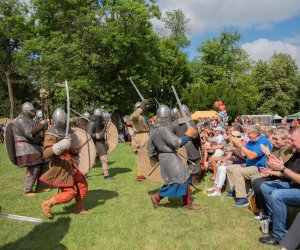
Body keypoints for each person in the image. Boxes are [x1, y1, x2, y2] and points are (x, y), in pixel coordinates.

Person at [40, 108, 90, 218]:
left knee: (82, 185)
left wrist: (71, 149)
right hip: (60, 167)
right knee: (70, 192)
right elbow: (46, 153)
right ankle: (47, 203)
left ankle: (79, 208)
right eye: (65, 120)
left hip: (70, 164)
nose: (67, 122)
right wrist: (61, 145)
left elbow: (67, 148)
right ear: (61, 120)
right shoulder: (50, 134)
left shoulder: (65, 131)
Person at [148, 104, 200, 210]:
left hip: (164, 157)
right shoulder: (163, 129)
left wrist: (159, 156)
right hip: (169, 158)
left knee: (184, 178)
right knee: (177, 181)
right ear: (167, 117)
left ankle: (187, 203)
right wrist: (187, 135)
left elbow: (150, 148)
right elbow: (177, 143)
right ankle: (156, 197)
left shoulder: (153, 130)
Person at [258, 127, 300, 245]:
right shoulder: (296, 153)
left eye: (293, 140)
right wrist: (271, 172)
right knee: (265, 187)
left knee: (277, 195)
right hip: (293, 185)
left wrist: (281, 168)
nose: (289, 143)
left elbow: (286, 170)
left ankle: (278, 236)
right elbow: (285, 172)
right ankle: (275, 221)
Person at [226, 125, 272, 207]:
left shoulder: (263, 141)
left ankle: (243, 199)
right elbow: (244, 155)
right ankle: (235, 191)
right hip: (249, 165)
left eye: (248, 133)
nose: (247, 134)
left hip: (259, 168)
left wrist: (240, 145)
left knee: (237, 171)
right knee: (230, 168)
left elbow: (251, 156)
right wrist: (236, 146)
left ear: (255, 133)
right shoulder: (251, 141)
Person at [252, 129, 293, 216]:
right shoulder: (275, 148)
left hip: (283, 177)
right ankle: (261, 209)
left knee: (259, 184)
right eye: (273, 138)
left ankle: (267, 213)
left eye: (276, 139)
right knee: (256, 180)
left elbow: (280, 166)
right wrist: (268, 169)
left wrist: (267, 153)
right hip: (274, 174)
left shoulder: (286, 150)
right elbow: (269, 163)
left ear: (285, 140)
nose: (273, 141)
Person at [13, 102, 48, 196]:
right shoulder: (21, 120)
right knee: (34, 168)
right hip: (25, 147)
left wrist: (42, 127)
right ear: (26, 111)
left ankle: (40, 187)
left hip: (33, 147)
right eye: (32, 111)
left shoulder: (29, 120)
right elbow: (29, 133)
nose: (33, 113)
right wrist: (40, 125)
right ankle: (27, 190)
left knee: (45, 163)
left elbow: (36, 135)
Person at [172, 104, 202, 185]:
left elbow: (172, 136)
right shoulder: (190, 122)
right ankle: (193, 179)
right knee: (194, 162)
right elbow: (195, 137)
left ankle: (184, 179)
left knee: (183, 163)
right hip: (191, 145)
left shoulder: (174, 123)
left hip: (180, 146)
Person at [87, 108, 112, 179]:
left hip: (100, 143)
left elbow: (102, 131)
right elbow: (89, 134)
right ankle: (106, 175)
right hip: (96, 143)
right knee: (104, 159)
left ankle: (84, 173)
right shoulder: (92, 123)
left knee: (94, 161)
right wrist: (98, 135)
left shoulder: (99, 123)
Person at [130, 99, 149, 181]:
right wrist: (142, 105)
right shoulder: (134, 117)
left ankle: (144, 173)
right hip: (140, 138)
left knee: (145, 156)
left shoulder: (141, 117)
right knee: (141, 156)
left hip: (144, 136)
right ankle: (140, 175)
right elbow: (135, 115)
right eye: (141, 108)